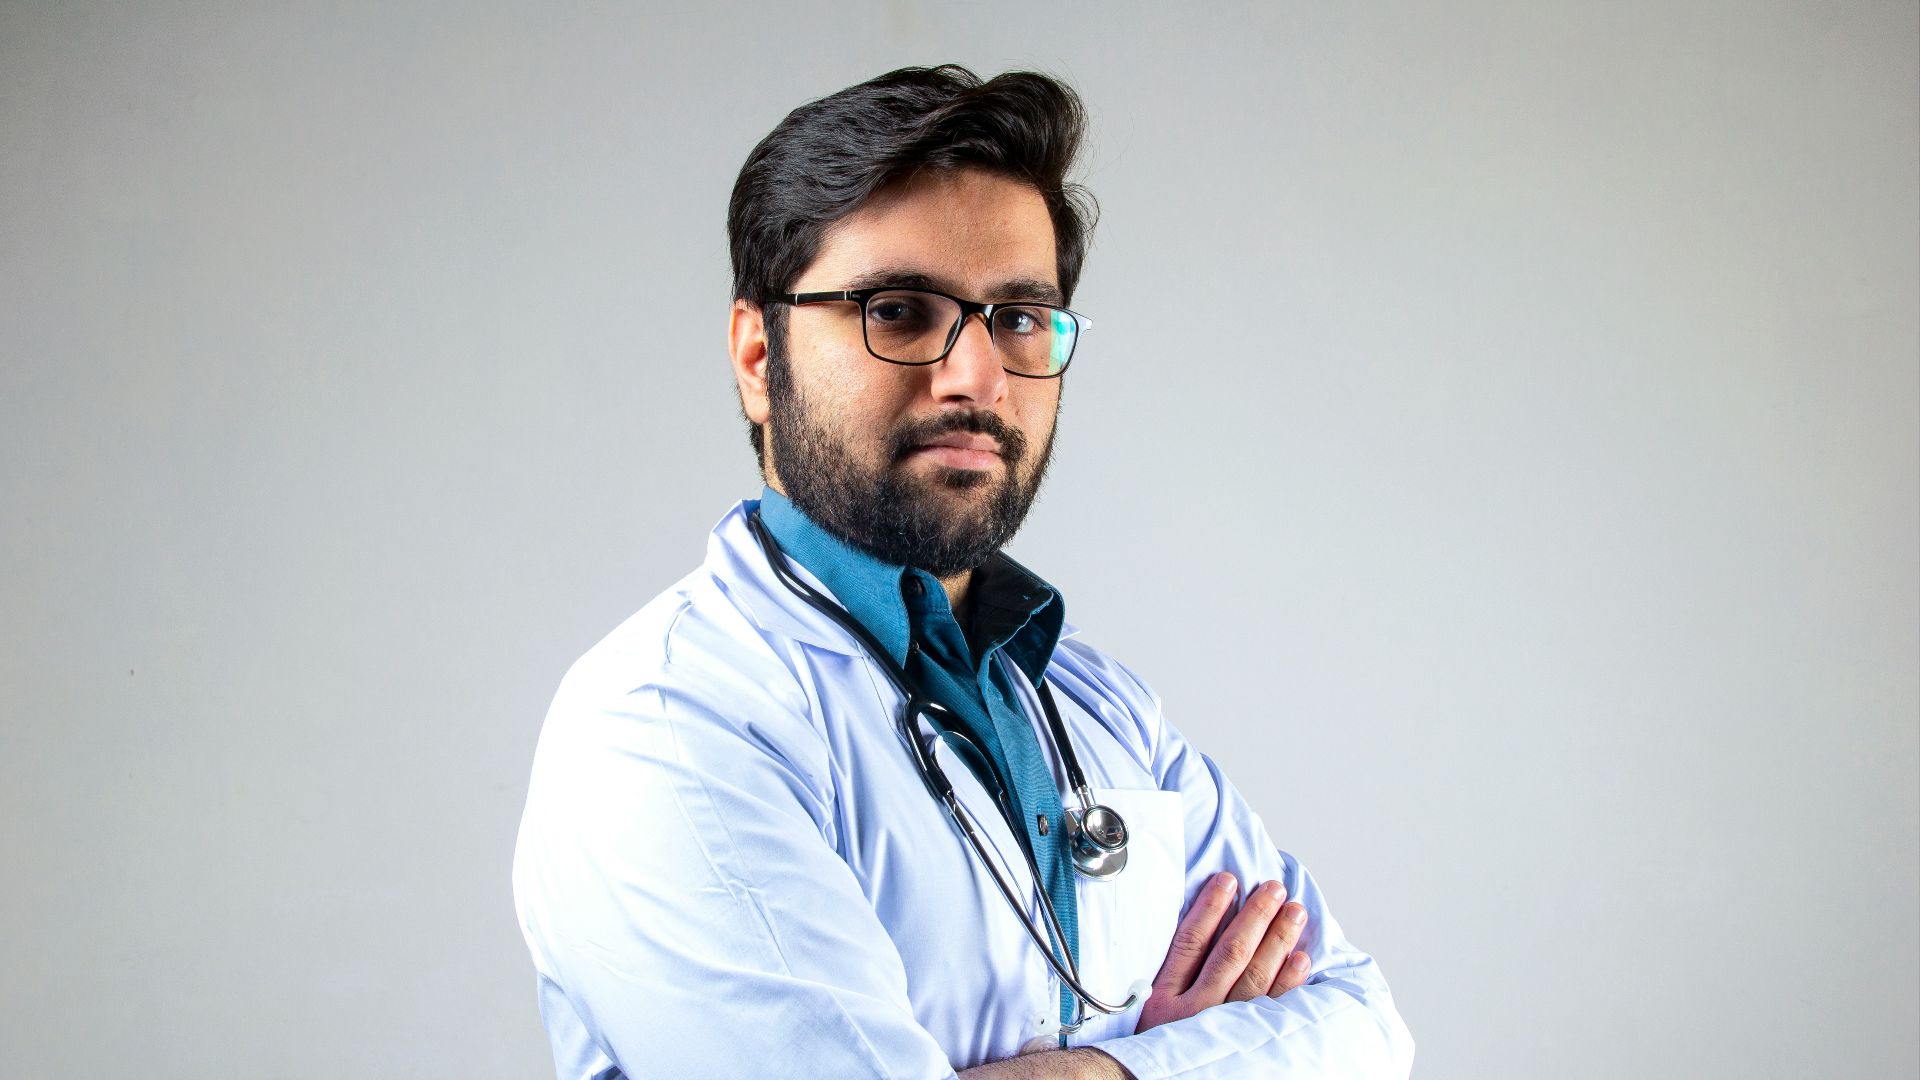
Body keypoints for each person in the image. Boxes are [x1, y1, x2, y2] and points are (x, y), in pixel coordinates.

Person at [512, 65, 1414, 1079]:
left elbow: (1366, 1026)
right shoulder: (667, 724)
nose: (978, 377)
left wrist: (1100, 1073)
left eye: (1020, 320)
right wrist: (1195, 1059)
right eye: (898, 310)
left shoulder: (1100, 706)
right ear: (760, 355)